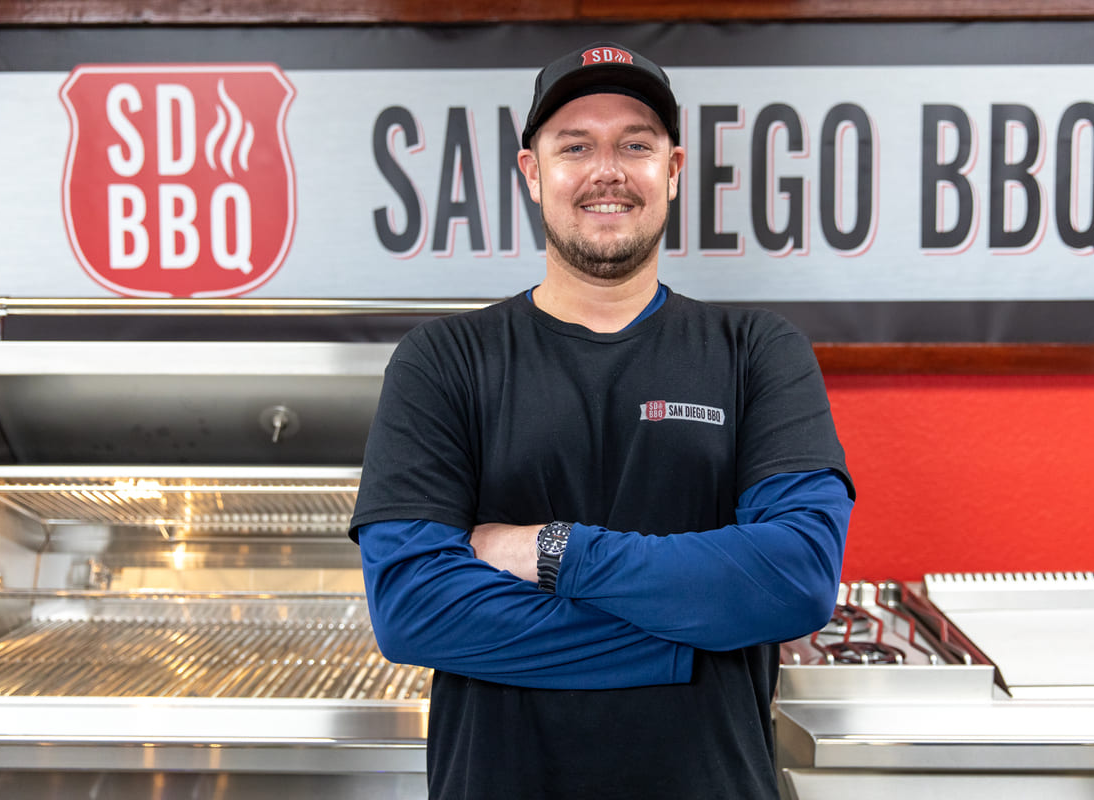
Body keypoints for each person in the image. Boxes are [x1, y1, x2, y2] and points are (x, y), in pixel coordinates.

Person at [350, 41, 854, 800]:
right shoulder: (445, 360)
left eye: (636, 145)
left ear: (675, 171)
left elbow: (795, 579)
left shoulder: (758, 352)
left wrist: (555, 551)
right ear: (532, 174)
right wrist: (689, 637)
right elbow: (415, 608)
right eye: (575, 146)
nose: (606, 170)